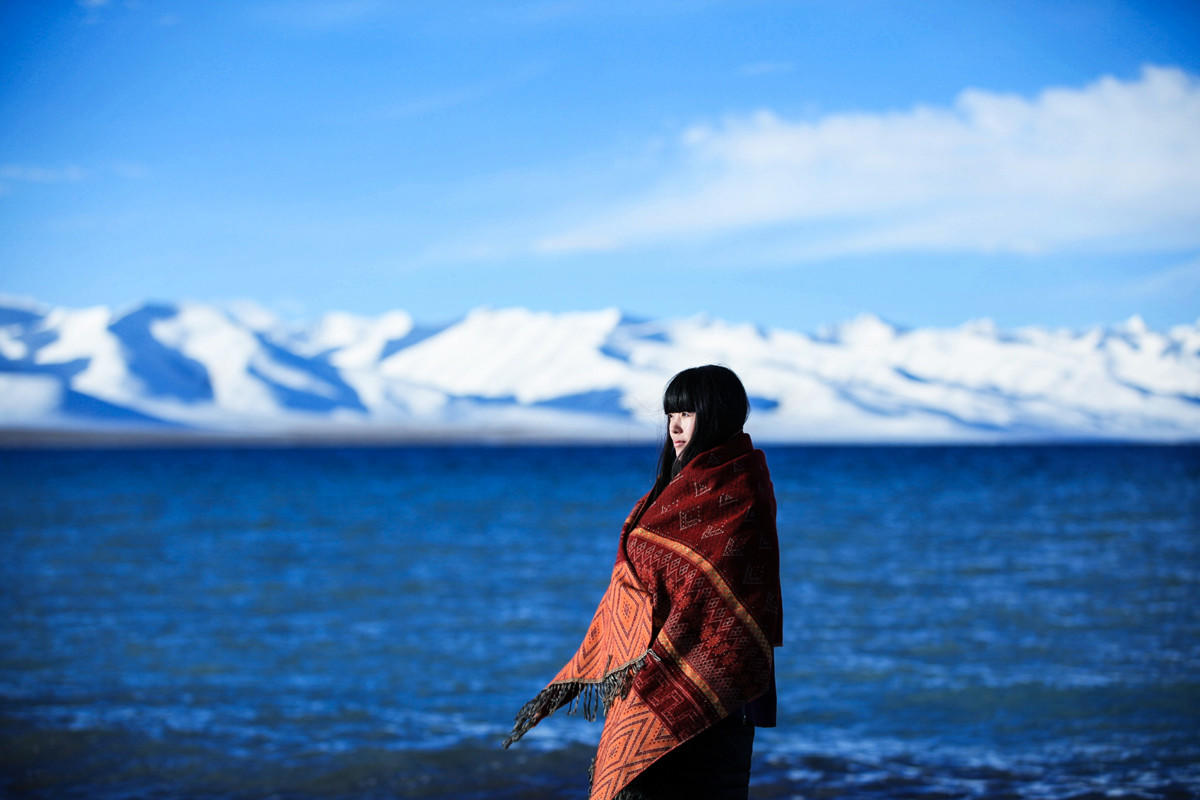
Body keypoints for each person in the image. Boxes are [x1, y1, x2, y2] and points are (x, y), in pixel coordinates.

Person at [504, 365, 783, 800]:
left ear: (718, 416)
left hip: (717, 692)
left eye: (688, 413)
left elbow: (720, 597)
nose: (674, 425)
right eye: (672, 413)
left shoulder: (742, 489)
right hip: (649, 671)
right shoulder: (669, 489)